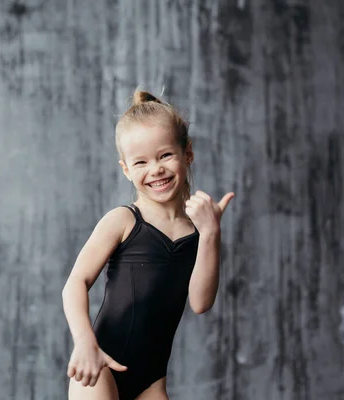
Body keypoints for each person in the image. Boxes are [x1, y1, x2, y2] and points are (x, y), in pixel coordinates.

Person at [61, 89, 235, 400]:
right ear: (126, 169)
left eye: (165, 155)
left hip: (152, 381)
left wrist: (210, 234)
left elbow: (200, 303)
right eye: (140, 162)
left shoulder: (198, 231)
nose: (155, 169)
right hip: (101, 366)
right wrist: (85, 342)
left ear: (187, 154)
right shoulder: (124, 220)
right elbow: (76, 282)